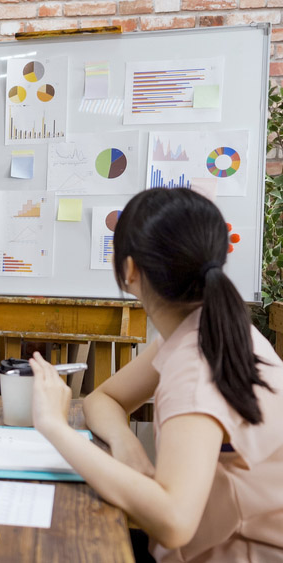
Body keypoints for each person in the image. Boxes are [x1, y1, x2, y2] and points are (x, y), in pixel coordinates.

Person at [29, 188, 283, 562]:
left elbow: (174, 521)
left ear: (129, 270)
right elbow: (106, 399)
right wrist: (126, 445)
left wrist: (55, 427)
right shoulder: (204, 327)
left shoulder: (196, 369)